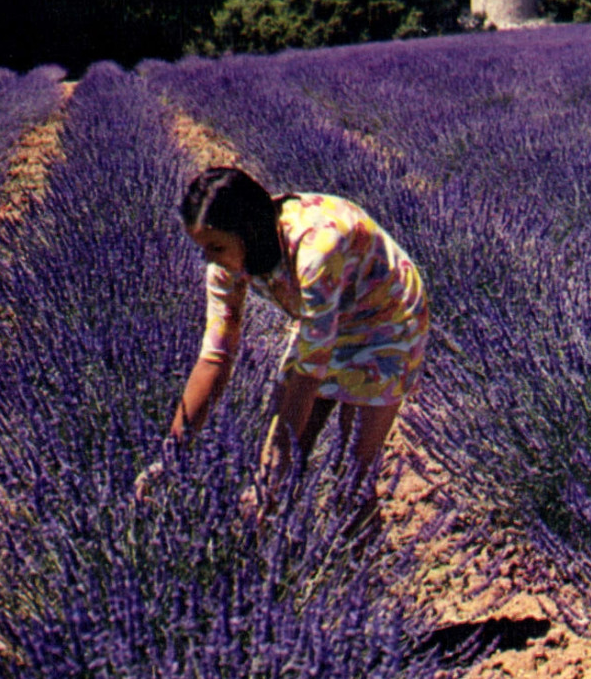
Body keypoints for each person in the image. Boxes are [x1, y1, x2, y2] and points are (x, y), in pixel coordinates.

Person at [136, 167, 429, 530]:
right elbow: (216, 357)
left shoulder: (316, 246)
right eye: (203, 249)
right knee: (280, 468)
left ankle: (362, 560)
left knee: (352, 475)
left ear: (248, 230)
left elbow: (308, 376)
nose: (209, 260)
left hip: (385, 320)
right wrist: (172, 453)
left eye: (215, 248)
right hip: (322, 321)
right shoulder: (227, 263)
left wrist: (276, 462)